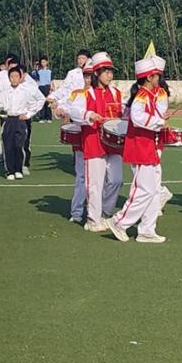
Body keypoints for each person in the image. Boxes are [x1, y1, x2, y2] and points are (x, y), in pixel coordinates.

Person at [107, 56, 169, 244]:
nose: (159, 78)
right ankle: (119, 222)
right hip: (141, 147)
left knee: (153, 190)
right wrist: (159, 121)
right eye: (156, 75)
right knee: (144, 189)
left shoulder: (149, 95)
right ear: (149, 77)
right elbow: (137, 117)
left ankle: (147, 230)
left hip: (148, 146)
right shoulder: (141, 96)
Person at [66, 52, 124, 232]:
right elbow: (73, 111)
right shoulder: (86, 94)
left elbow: (124, 113)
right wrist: (89, 114)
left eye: (111, 71)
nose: (109, 75)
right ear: (97, 73)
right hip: (93, 141)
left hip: (113, 143)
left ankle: (105, 212)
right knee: (95, 184)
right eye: (106, 71)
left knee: (117, 180)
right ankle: (93, 219)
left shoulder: (116, 93)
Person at [0, 65, 44, 180]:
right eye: (12, 76)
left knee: (19, 145)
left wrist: (28, 114)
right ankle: (10, 171)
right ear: (9, 78)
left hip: (20, 120)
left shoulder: (25, 91)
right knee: (8, 146)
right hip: (8, 120)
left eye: (16, 76)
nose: (14, 79)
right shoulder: (5, 92)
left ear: (20, 77)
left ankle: (18, 169)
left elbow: (40, 100)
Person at [65, 62, 94, 224]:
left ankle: (96, 211)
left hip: (98, 140)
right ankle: (76, 212)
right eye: (86, 76)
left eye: (91, 76)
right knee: (81, 176)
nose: (88, 79)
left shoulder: (102, 93)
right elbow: (66, 107)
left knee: (100, 179)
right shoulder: (77, 93)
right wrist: (60, 111)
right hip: (81, 139)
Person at [34, 56, 53, 122]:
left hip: (47, 87)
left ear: (47, 62)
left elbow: (51, 80)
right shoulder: (39, 71)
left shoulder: (49, 71)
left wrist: (51, 87)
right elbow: (37, 80)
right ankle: (42, 118)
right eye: (42, 62)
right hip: (41, 87)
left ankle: (49, 118)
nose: (43, 63)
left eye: (44, 62)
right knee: (42, 102)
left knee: (48, 102)